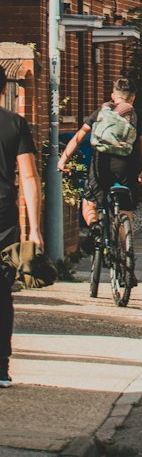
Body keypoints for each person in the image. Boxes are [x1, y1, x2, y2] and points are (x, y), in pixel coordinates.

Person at [58, 78, 142, 267]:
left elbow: (78, 138)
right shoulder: (137, 117)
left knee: (89, 203)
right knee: (125, 211)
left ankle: (94, 227)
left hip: (100, 165)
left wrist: (63, 160)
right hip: (126, 168)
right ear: (133, 98)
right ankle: (128, 259)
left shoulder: (101, 113)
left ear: (113, 96)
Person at [0, 103, 42, 390]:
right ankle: (1, 368)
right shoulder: (14, 123)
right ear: (4, 90)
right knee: (2, 292)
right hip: (4, 219)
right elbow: (28, 175)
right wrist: (35, 229)